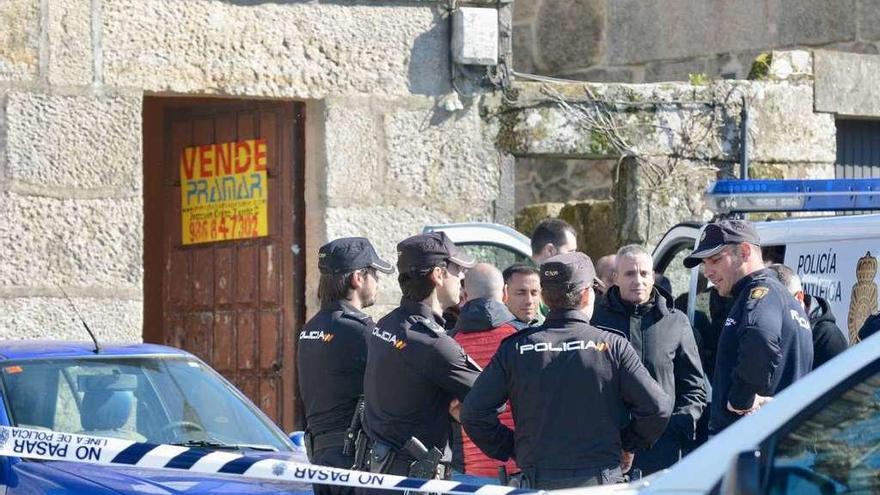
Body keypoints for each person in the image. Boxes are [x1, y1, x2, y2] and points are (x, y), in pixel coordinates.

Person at [461, 252, 672, 490]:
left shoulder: (515, 348)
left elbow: (473, 414)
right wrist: (626, 444)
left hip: (538, 480)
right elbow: (657, 408)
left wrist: (515, 447)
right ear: (585, 295)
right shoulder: (613, 346)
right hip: (600, 481)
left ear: (544, 297)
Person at [359, 232, 481, 486]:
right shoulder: (433, 343)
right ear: (438, 275)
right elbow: (491, 397)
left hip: (378, 474)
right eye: (457, 269)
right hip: (414, 480)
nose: (462, 277)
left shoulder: (388, 324)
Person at [683, 220, 813, 435]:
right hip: (776, 439)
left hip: (753, 440)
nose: (707, 271)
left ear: (744, 251)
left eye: (715, 260)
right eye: (705, 263)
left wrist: (741, 399)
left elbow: (759, 336)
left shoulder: (761, 293)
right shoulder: (781, 297)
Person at [591, 245, 707, 474]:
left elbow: (694, 388)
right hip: (607, 451)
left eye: (644, 273)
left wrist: (677, 428)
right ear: (615, 278)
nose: (638, 280)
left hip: (662, 450)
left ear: (653, 277)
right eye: (629, 274)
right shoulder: (593, 320)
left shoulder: (676, 322)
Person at [297, 237, 394, 495]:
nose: (378, 282)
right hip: (352, 460)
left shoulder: (310, 329)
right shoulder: (360, 331)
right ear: (357, 278)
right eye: (374, 273)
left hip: (321, 459)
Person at [449, 263, 518, 484]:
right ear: (505, 293)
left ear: (465, 295)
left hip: (469, 472)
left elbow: (448, 406)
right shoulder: (525, 338)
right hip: (521, 469)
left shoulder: (447, 344)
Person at [765, 263, 848, 369]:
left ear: (799, 298)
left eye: (776, 303)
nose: (769, 310)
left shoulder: (829, 339)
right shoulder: (770, 328)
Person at [502, 263, 542, 329]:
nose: (529, 301)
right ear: (504, 293)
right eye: (521, 293)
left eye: (534, 293)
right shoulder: (496, 334)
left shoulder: (545, 327)